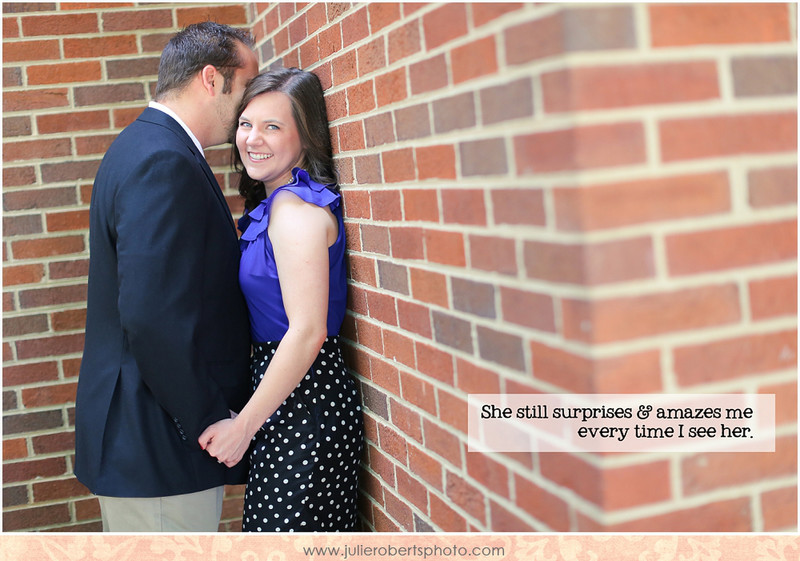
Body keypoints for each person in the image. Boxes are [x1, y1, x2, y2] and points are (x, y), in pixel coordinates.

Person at [74, 21, 259, 532]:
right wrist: (210, 420)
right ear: (211, 79)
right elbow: (151, 314)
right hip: (160, 443)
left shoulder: (143, 145)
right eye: (245, 87)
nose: (249, 107)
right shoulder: (163, 159)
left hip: (153, 441)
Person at [198, 68, 364, 532]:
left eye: (273, 127)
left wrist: (242, 427)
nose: (252, 138)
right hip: (284, 397)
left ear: (305, 137)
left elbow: (307, 331)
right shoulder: (276, 206)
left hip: (308, 402)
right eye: (246, 123)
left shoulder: (294, 213)